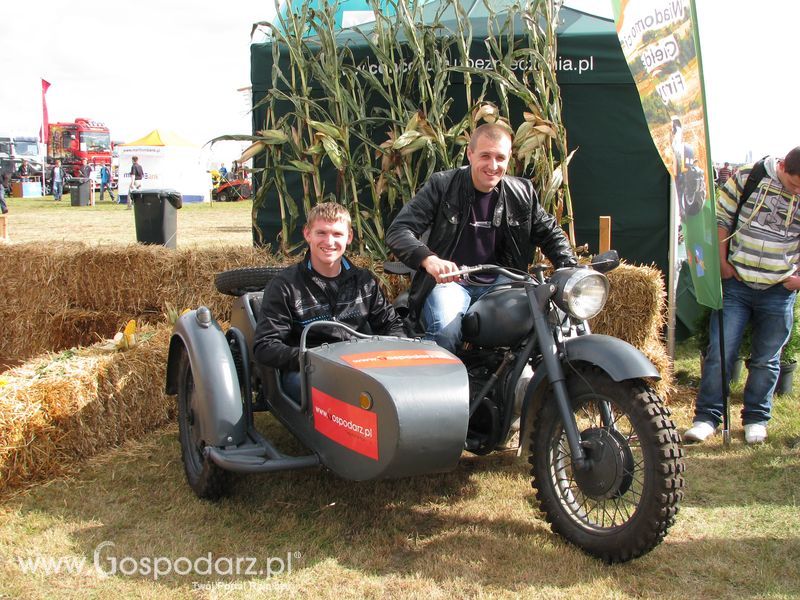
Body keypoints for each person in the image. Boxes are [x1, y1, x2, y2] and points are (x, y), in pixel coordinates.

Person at [385, 122, 577, 352]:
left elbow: (551, 234)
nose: (493, 165)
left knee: (556, 315)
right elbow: (399, 230)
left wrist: (571, 269)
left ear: (508, 159)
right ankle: (440, 384)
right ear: (470, 153)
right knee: (446, 329)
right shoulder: (443, 185)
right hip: (452, 283)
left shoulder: (523, 192)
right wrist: (430, 260)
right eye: (485, 156)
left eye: (500, 158)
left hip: (504, 283)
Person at [685, 147, 800, 445]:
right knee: (720, 351)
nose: (797, 191)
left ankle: (756, 419)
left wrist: (797, 280)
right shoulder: (749, 175)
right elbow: (721, 218)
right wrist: (722, 262)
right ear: (784, 166)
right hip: (737, 281)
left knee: (767, 359)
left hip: (779, 289)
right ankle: (706, 418)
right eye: (794, 184)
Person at [253, 202, 406, 401]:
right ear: (307, 234)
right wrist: (312, 360)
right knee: (341, 395)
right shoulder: (285, 286)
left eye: (337, 234)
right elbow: (265, 346)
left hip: (358, 366)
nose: (329, 241)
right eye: (321, 233)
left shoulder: (364, 281)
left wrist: (392, 354)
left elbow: (392, 325)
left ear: (349, 237)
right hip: (307, 369)